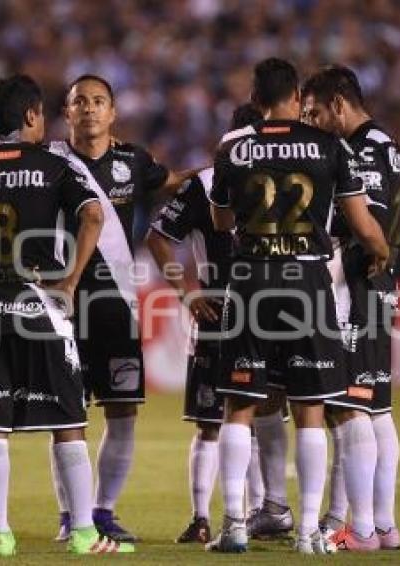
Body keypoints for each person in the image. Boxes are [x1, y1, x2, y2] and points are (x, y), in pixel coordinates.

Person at [0, 74, 135, 556]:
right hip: (40, 302)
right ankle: (82, 533)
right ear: (33, 115)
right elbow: (93, 214)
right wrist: (72, 280)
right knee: (68, 420)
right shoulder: (53, 167)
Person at [205, 57, 389, 555]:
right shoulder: (330, 146)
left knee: (239, 406)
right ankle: (310, 531)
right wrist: (381, 252)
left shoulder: (233, 147)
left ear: (255, 95)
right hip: (307, 282)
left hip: (250, 280)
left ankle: (236, 524)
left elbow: (221, 222)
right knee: (311, 410)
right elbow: (364, 224)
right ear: (294, 96)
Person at [48, 74, 197, 542]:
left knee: (122, 410)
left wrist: (215, 172)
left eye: (98, 101)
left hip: (115, 303)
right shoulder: (51, 161)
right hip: (62, 302)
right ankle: (73, 516)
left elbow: (171, 182)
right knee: (67, 417)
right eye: (79, 102)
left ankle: (103, 510)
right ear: (66, 112)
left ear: (112, 112)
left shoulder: (134, 161)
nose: (89, 109)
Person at [146, 103, 273, 544]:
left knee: (253, 416)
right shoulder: (205, 182)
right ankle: (203, 517)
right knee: (217, 419)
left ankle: (259, 511)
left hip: (264, 309)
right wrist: (188, 292)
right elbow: (159, 236)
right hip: (222, 310)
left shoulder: (241, 174)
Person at [302, 64, 400, 552]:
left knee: (350, 409)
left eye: (315, 112)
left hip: (358, 287)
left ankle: (361, 530)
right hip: (381, 287)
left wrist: (329, 272)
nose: (312, 121)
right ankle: (384, 526)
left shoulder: (361, 150)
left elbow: (372, 229)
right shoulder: (390, 146)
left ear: (339, 105)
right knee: (379, 410)